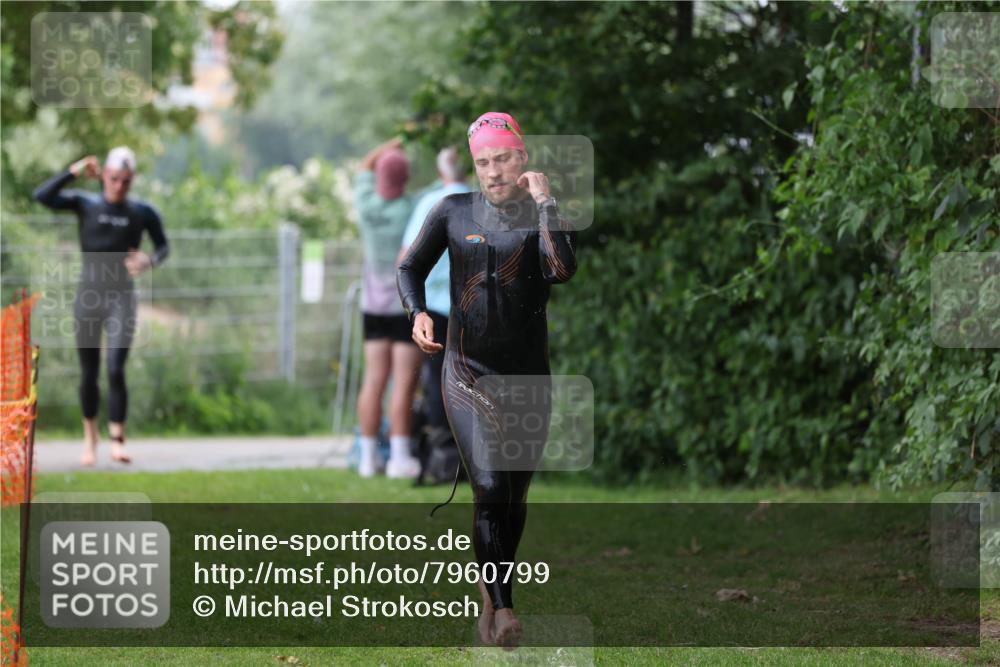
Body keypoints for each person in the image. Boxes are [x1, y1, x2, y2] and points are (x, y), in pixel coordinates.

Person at [397, 112, 578, 647]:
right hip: (467, 370)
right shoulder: (452, 212)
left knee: (513, 499)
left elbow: (561, 270)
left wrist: (546, 203)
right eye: (483, 163)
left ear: (521, 159)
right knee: (491, 487)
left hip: (526, 378)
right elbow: (410, 268)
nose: (493, 172)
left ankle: (491, 585)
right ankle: (502, 609)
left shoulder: (541, 213)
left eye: (502, 159)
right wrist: (417, 313)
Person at [33, 147, 170, 466]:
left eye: (125, 180)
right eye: (113, 178)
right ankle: (90, 439)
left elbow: (164, 246)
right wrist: (75, 170)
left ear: (132, 179)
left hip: (122, 297)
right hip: (88, 297)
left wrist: (148, 260)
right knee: (89, 372)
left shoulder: (142, 212)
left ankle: (117, 440)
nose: (119, 185)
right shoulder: (86, 204)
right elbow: (41, 195)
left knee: (116, 368)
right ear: (103, 175)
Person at [353, 138, 423, 479]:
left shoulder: (365, 203)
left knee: (373, 380)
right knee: (403, 384)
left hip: (371, 305)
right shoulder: (410, 208)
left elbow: (364, 166)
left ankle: (367, 458)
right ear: (406, 178)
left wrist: (394, 140)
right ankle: (399, 457)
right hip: (403, 305)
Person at [398, 147, 472, 439]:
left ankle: (443, 447)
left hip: (434, 309)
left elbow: (405, 260)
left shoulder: (432, 202)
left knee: (439, 380)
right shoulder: (480, 202)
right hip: (471, 307)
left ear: (441, 172)